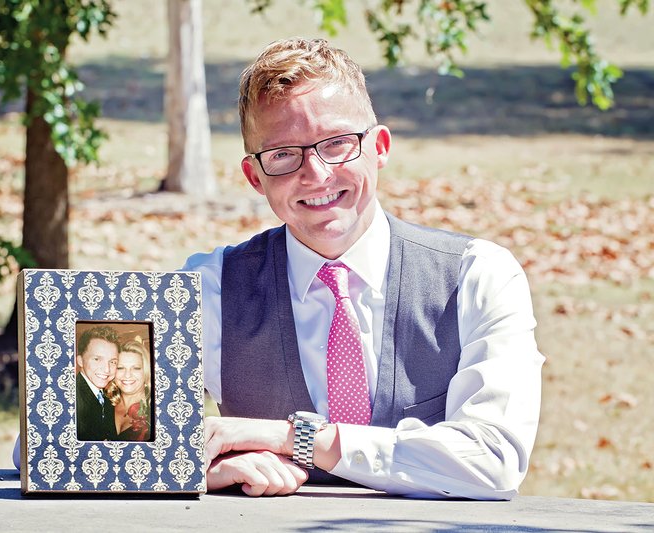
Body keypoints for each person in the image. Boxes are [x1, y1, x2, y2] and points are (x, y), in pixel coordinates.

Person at [182, 38, 545, 499]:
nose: (314, 173)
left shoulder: (479, 276)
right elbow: (94, 437)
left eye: (337, 143)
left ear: (379, 147)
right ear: (255, 177)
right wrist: (202, 469)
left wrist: (297, 440)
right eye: (282, 155)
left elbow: (494, 459)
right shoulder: (206, 289)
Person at [75, 325, 120, 441]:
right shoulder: (72, 397)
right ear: (80, 360)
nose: (107, 369)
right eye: (97, 359)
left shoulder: (108, 394)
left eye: (113, 362)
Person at [104, 340, 153, 441]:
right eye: (120, 368)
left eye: (136, 368)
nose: (127, 375)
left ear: (146, 371)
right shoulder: (103, 404)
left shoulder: (157, 409)